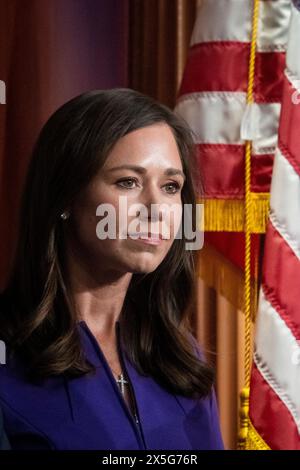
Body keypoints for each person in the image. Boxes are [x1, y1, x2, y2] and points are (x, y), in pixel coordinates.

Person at [0, 88, 224, 450]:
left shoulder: (182, 358)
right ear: (65, 197)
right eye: (128, 182)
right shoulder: (8, 359)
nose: (156, 208)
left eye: (171, 187)